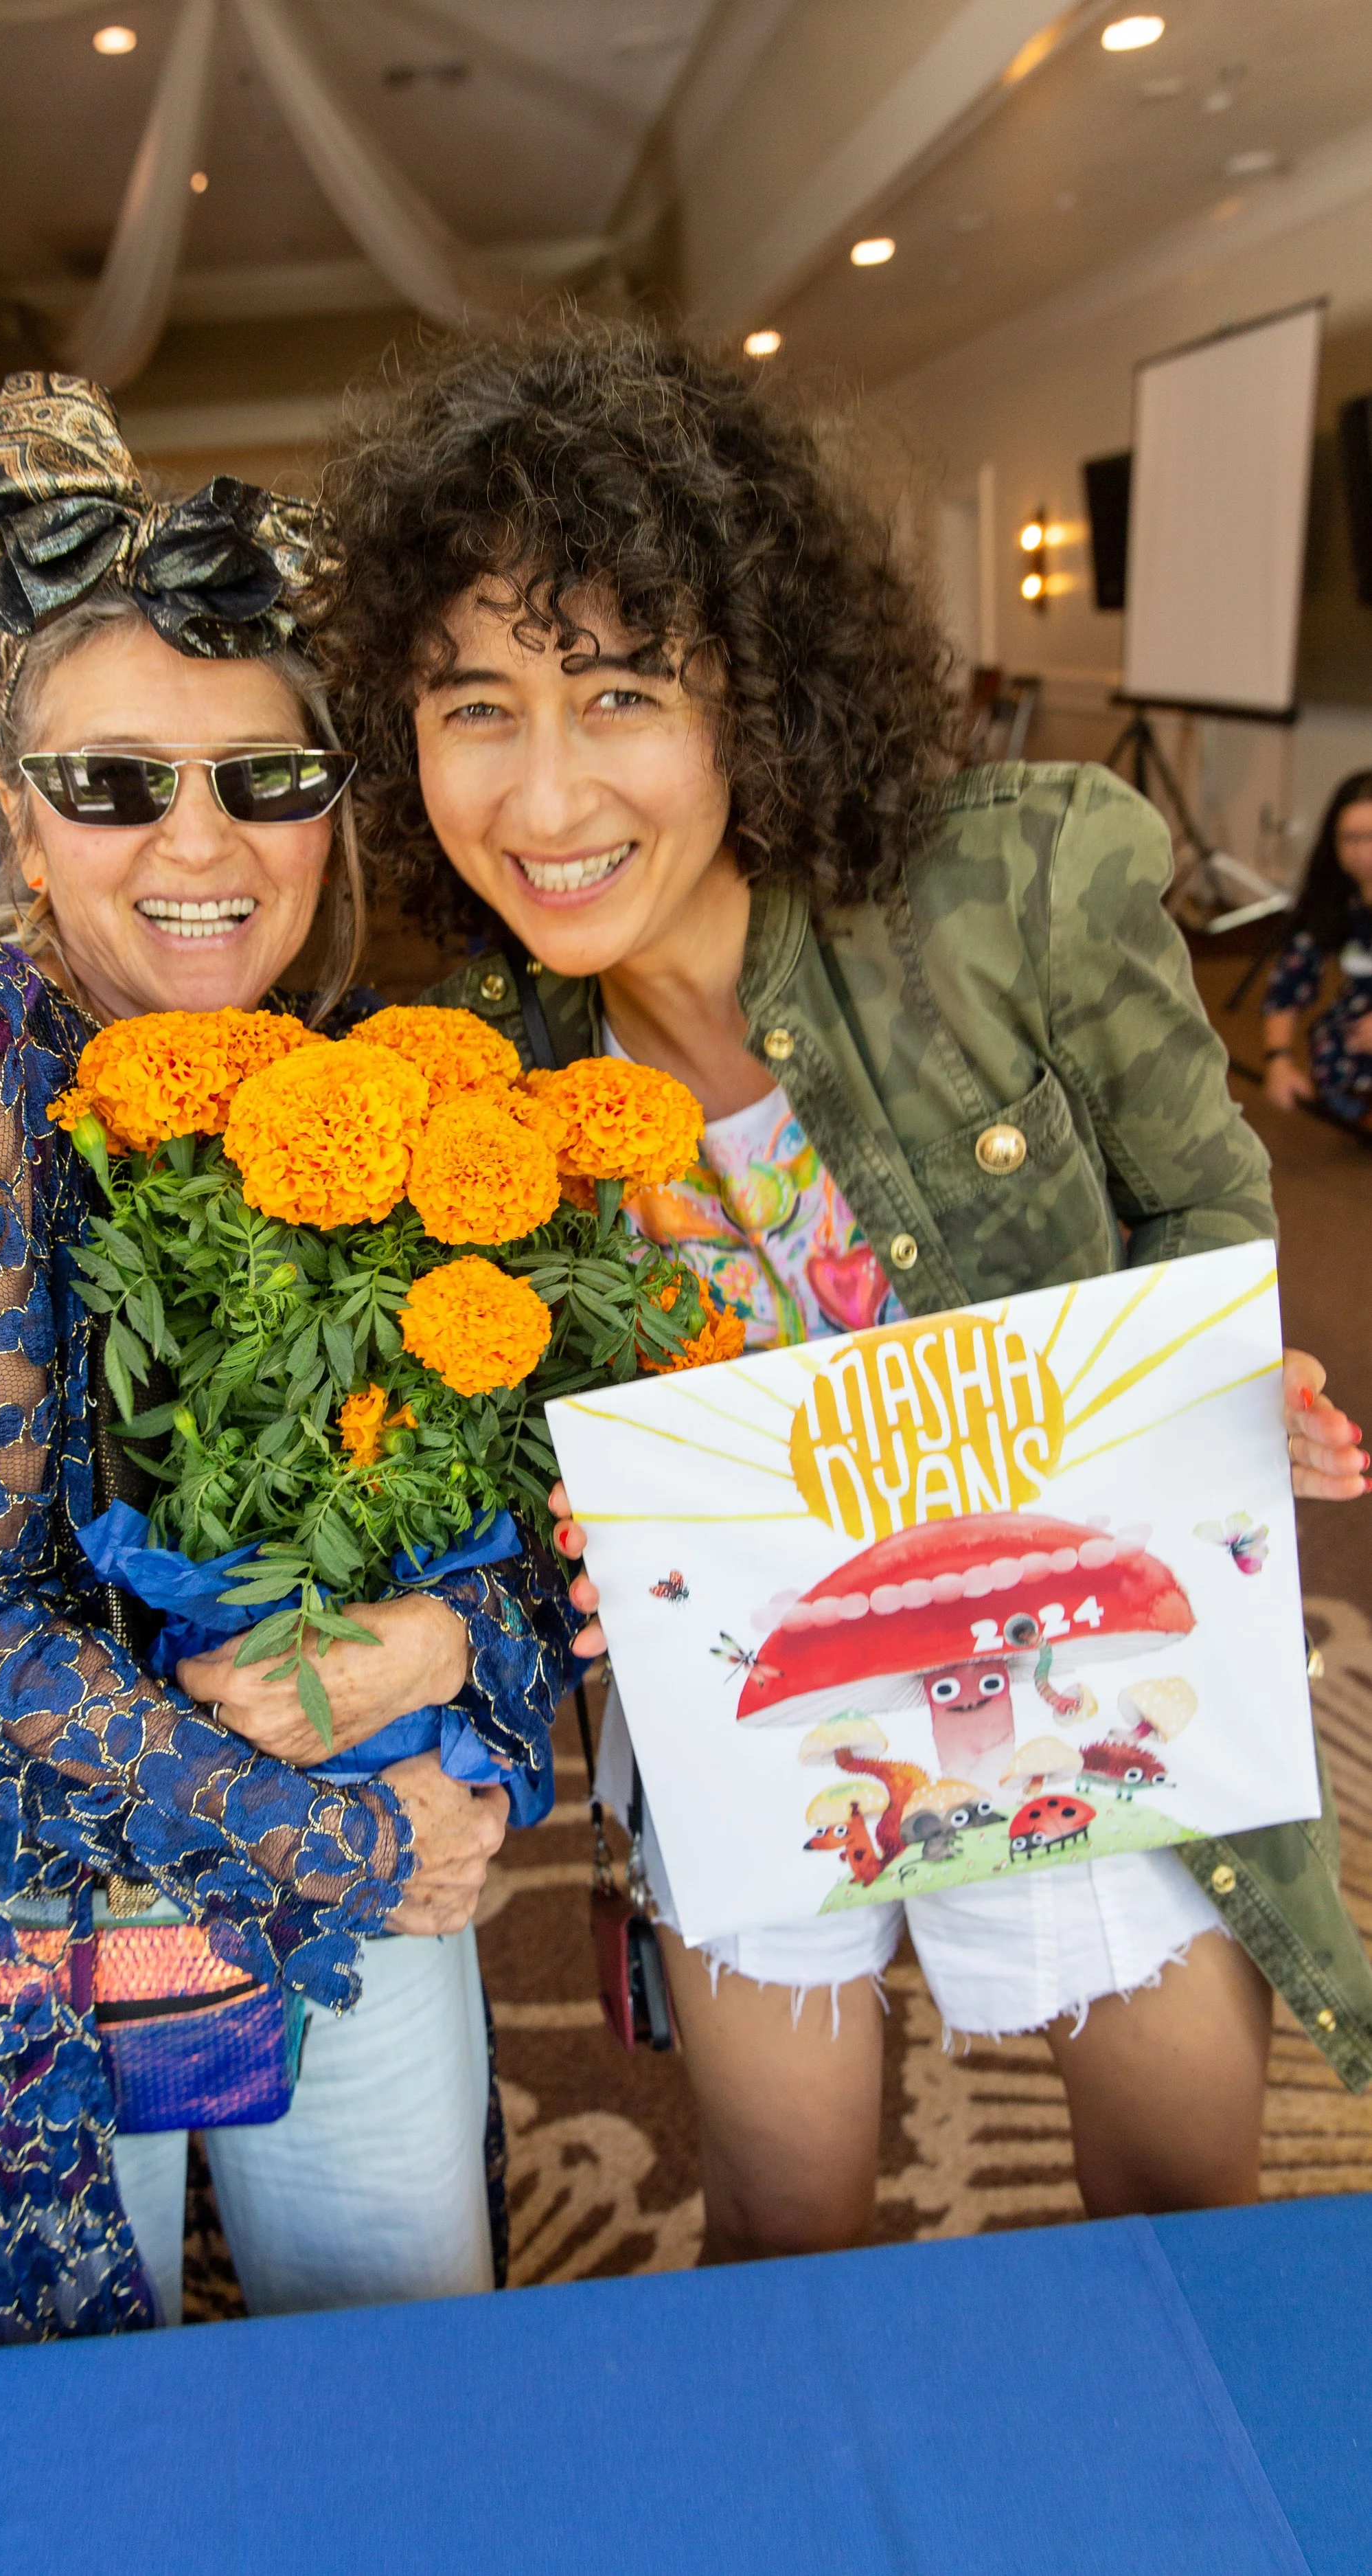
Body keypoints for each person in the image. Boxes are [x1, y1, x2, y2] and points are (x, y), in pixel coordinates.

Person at [314, 316, 1372, 2261]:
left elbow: (1204, 1208)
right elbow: (464, 1442)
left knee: (1177, 2240)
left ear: (756, 694)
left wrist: (1229, 1372)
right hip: (746, 1697)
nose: (543, 802)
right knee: (788, 2241)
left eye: (619, 690)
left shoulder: (1009, 892)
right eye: (475, 707)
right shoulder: (464, 1072)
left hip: (1070, 1665)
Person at [0, 373, 573, 2373]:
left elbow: (498, 1506)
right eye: (113, 782)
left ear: (329, 798)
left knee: (399, 2402)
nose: (199, 841)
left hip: (336, 1874)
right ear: (15, 808)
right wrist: (368, 1841)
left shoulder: (366, 1068)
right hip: (27, 1906)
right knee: (51, 2468)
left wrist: (451, 1649)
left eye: (263, 777)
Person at [1263, 769, 1372, 1134]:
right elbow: (1290, 980)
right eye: (1350, 838)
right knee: (1331, 1038)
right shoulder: (1336, 899)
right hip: (1360, 1022)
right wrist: (1277, 1057)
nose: (1362, 851)